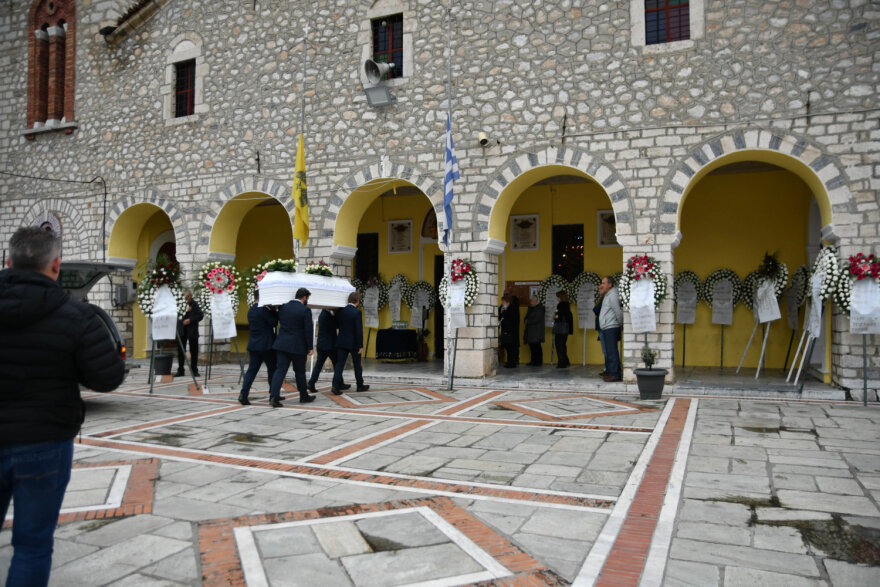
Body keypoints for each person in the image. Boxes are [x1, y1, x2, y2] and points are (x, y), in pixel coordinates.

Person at [1, 227, 125, 586]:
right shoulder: (75, 317)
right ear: (56, 266)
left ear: (9, 262)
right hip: (45, 440)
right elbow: (107, 378)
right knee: (32, 544)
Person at [268, 288, 315, 407]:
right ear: (304, 297)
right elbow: (308, 330)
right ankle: (303, 396)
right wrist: (310, 347)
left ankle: (273, 396)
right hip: (298, 346)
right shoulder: (305, 311)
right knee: (299, 372)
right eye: (307, 299)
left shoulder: (283, 307)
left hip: (282, 344)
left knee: (280, 371)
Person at [237, 290, 278, 405]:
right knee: (272, 369)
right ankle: (273, 394)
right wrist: (274, 311)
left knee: (251, 371)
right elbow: (274, 322)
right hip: (266, 346)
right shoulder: (264, 310)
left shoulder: (251, 310)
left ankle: (243, 394)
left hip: (254, 345)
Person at [332, 291, 370, 394]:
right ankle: (360, 385)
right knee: (357, 364)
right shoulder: (357, 312)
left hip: (341, 341)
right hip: (353, 343)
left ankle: (335, 386)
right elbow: (359, 330)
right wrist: (360, 345)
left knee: (339, 365)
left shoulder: (341, 311)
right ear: (357, 300)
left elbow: (338, 324)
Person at [307, 309, 349, 393]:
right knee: (337, 364)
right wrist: (337, 315)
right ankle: (336, 385)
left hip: (321, 344)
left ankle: (311, 383)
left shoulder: (322, 314)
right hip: (330, 345)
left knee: (318, 365)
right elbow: (336, 325)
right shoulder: (327, 315)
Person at [598, 276, 623, 382]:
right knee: (609, 352)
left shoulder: (613, 295)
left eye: (604, 283)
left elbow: (618, 311)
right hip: (607, 327)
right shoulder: (607, 295)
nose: (601, 285)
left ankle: (615, 375)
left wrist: (621, 323)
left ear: (610, 285)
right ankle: (611, 372)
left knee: (612, 352)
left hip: (611, 327)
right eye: (601, 283)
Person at [175, 290, 203, 378]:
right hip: (182, 330)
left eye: (187, 297)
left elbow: (200, 316)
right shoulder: (179, 304)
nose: (186, 299)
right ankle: (180, 370)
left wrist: (190, 320)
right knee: (180, 351)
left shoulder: (195, 305)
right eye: (184, 297)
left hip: (192, 331)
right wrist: (185, 311)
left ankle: (194, 370)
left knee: (193, 351)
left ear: (190, 297)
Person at [553, 290, 573, 368]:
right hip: (566, 328)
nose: (557, 299)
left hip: (560, 328)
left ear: (560, 297)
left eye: (557, 297)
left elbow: (559, 316)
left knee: (559, 345)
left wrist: (555, 317)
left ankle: (562, 363)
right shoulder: (567, 305)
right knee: (563, 345)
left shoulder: (560, 305)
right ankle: (565, 360)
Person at [498, 294, 520, 367]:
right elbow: (500, 318)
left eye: (503, 302)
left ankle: (512, 363)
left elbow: (510, 319)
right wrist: (501, 312)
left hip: (511, 332)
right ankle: (509, 362)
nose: (502, 303)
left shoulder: (512, 309)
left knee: (511, 348)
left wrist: (503, 312)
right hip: (505, 331)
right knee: (507, 347)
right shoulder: (503, 308)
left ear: (508, 302)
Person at [523, 295, 545, 366]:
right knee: (532, 347)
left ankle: (538, 362)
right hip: (531, 331)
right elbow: (526, 317)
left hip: (536, 332)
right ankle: (533, 361)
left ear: (536, 301)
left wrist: (528, 321)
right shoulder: (530, 308)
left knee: (537, 347)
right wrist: (525, 320)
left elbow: (537, 319)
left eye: (532, 301)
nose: (531, 302)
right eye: (531, 301)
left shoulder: (540, 309)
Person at [593, 292, 606, 377]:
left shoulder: (604, 300)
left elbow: (596, 309)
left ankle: (608, 368)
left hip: (603, 326)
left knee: (605, 349)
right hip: (603, 326)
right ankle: (607, 368)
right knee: (605, 349)